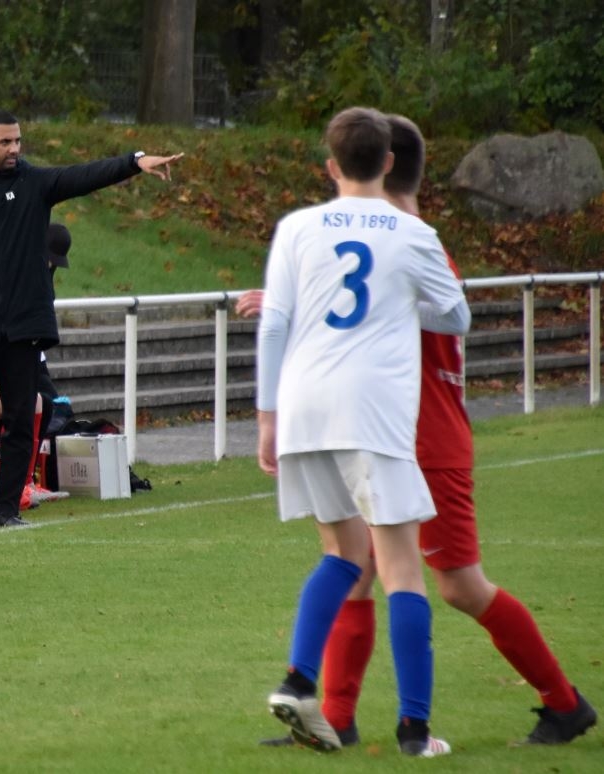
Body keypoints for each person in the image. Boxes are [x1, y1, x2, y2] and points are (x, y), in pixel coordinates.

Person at [246, 114, 596, 748]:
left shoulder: (413, 244)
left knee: (455, 585)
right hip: (385, 427)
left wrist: (298, 312)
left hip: (421, 435)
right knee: (358, 571)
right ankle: (339, 718)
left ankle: (562, 702)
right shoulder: (398, 239)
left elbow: (412, 317)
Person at [255, 106, 471, 757]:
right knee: (401, 568)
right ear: (388, 162)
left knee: (343, 554)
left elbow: (274, 323)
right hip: (372, 411)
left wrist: (266, 417)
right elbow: (456, 316)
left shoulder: (298, 227)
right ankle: (414, 730)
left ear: (330, 166)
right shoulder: (413, 233)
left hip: (304, 406)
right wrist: (403, 303)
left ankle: (298, 681)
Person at [0, 109, 181, 533]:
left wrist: (134, 162)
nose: (14, 149)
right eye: (5, 142)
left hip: (23, 329)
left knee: (20, 421)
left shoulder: (35, 183)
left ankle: (6, 511)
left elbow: (84, 176)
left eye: (18, 141)